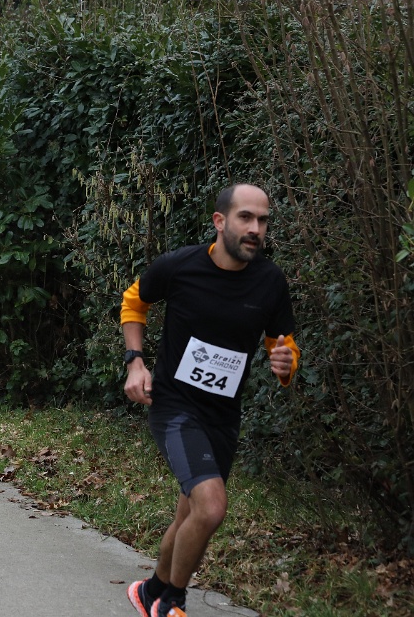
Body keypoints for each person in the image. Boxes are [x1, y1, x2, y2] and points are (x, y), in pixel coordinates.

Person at [121, 184, 300, 617]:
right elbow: (133, 303)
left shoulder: (270, 281)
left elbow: (283, 345)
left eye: (262, 220)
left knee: (191, 515)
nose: (255, 228)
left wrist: (286, 364)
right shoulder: (181, 266)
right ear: (220, 221)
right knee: (212, 506)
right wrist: (135, 363)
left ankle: (150, 590)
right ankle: (171, 602)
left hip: (223, 416)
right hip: (175, 406)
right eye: (245, 217)